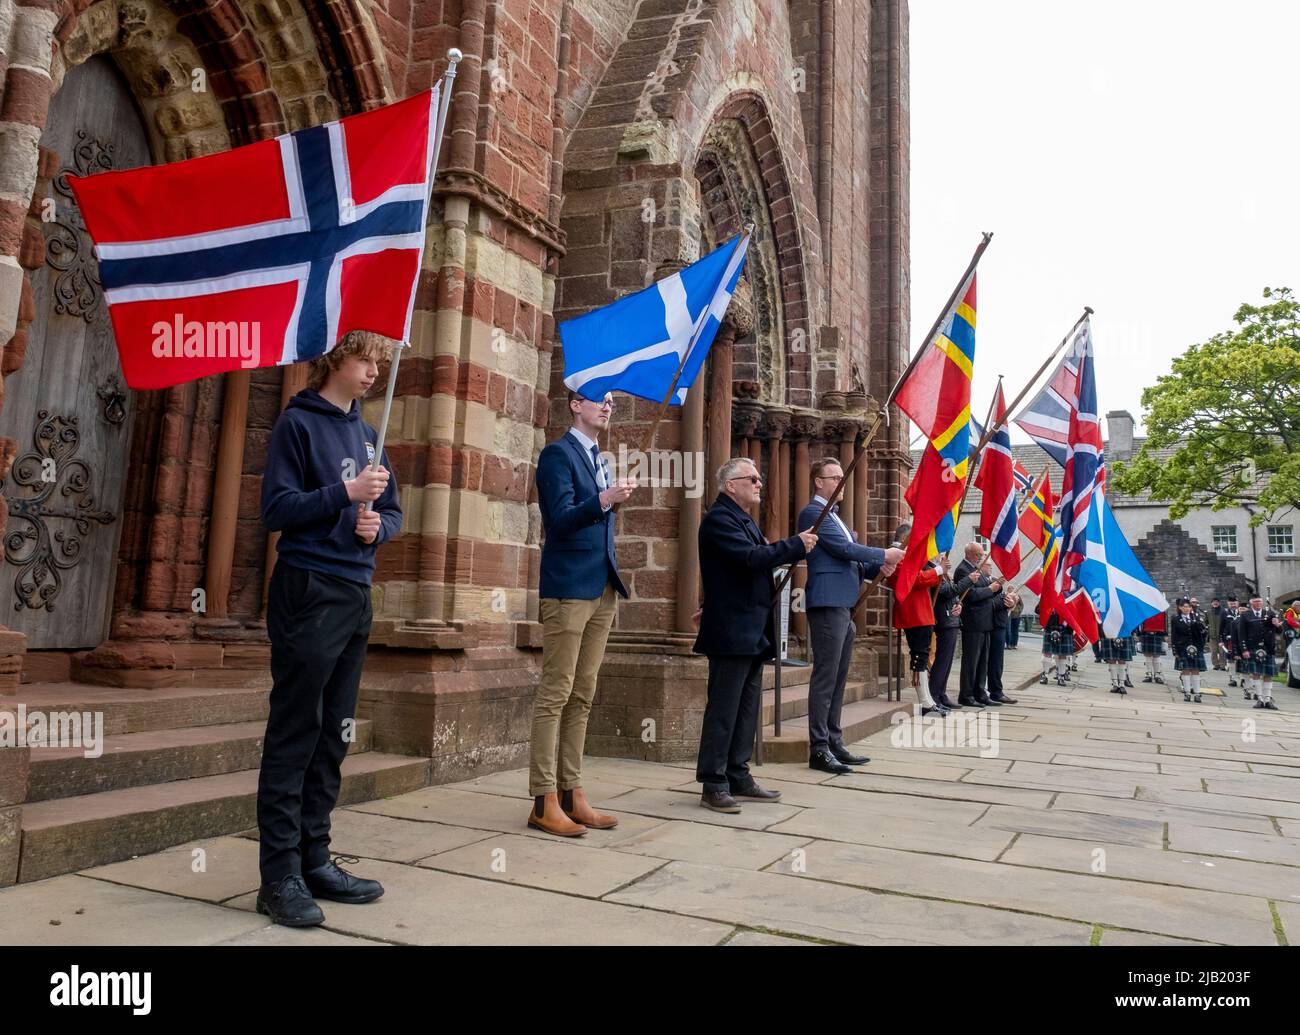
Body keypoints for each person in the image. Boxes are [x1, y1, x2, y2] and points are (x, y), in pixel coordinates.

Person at [256, 333, 403, 928]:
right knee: (298, 727)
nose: (374, 372)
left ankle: (315, 855)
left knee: (335, 732)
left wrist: (376, 528)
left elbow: (394, 510)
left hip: (354, 590)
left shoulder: (371, 434)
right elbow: (276, 509)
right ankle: (279, 875)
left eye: (379, 363)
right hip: (309, 586)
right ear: (336, 358)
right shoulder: (298, 423)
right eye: (366, 360)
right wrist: (344, 493)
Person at [528, 390, 636, 837]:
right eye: (598, 399)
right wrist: (605, 498)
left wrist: (608, 495)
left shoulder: (600, 458)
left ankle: (573, 793)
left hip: (602, 587)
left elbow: (594, 518)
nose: (607, 406)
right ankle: (543, 799)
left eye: (611, 401)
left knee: (583, 694)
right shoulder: (557, 454)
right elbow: (559, 518)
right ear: (574, 404)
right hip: (569, 589)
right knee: (556, 692)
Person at [694, 457, 817, 812]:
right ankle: (713, 783)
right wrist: (794, 544)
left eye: (761, 478)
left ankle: (738, 774)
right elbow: (750, 558)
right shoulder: (719, 519)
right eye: (753, 478)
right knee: (723, 709)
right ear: (731, 485)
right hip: (732, 630)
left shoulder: (742, 519)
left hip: (749, 629)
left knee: (745, 709)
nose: (760, 483)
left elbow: (744, 567)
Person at [801, 460, 902, 773]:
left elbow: (852, 558)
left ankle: (833, 740)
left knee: (839, 678)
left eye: (843, 477)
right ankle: (818, 748)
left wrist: (877, 566)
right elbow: (844, 549)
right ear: (819, 482)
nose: (842, 483)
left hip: (843, 603)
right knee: (825, 677)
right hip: (828, 602)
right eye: (835, 477)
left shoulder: (835, 516)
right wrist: (883, 554)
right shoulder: (813, 513)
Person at [887, 546, 947, 721]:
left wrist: (938, 568)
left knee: (923, 658)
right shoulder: (898, 561)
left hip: (922, 614)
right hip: (913, 615)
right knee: (919, 658)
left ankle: (929, 701)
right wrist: (937, 570)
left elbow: (927, 580)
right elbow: (916, 579)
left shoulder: (909, 560)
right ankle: (925, 702)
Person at [953, 544, 1002, 708]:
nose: (981, 557)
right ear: (970, 554)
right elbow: (970, 595)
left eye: (981, 555)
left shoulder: (977, 569)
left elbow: (986, 591)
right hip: (973, 622)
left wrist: (997, 587)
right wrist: (989, 589)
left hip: (985, 621)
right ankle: (966, 695)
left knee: (982, 661)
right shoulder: (962, 570)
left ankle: (980, 692)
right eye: (978, 554)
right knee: (971, 661)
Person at [982, 560, 1019, 704]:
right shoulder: (981, 581)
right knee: (985, 661)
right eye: (988, 564)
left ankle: (996, 691)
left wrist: (1012, 602)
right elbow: (986, 601)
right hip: (988, 625)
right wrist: (1004, 600)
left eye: (991, 565)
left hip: (999, 625)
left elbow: (1002, 600)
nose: (990, 566)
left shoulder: (992, 581)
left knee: (997, 661)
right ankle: (985, 690)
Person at [1237, 594, 1283, 710]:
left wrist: (1277, 624)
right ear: (1251, 603)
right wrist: (1244, 649)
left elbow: (1278, 630)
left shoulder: (1270, 614)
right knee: (1256, 674)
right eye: (1256, 601)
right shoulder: (1245, 615)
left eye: (1260, 601)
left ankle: (1267, 700)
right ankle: (1259, 699)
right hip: (1253, 648)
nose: (1258, 603)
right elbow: (1241, 634)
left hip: (1268, 648)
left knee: (1268, 674)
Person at [930, 557, 964, 711]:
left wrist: (959, 604)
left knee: (947, 661)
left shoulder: (943, 571)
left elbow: (953, 593)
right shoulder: (931, 568)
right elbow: (943, 591)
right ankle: (934, 695)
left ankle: (941, 693)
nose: (942, 556)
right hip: (941, 618)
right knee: (941, 660)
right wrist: (968, 580)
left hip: (951, 619)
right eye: (939, 553)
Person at [1170, 597, 1207, 703]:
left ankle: (1197, 693)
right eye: (1184, 607)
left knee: (1196, 670)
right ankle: (1187, 692)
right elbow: (1174, 635)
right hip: (1182, 648)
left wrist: (1200, 626)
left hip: (1196, 647)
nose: (1187, 608)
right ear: (1180, 608)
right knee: (1185, 670)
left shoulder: (1196, 618)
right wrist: (1175, 651)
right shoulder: (1176, 619)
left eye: (1188, 607)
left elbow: (1203, 634)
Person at [1137, 610, 1167, 684]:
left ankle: (1157, 675)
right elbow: (1139, 620)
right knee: (1147, 655)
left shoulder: (1161, 608)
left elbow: (1164, 621)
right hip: (1146, 633)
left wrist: (1165, 634)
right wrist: (1138, 634)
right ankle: (1149, 674)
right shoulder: (1144, 607)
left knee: (1156, 655)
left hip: (1158, 634)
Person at [1220, 595, 1242, 688]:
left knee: (1241, 659)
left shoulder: (1242, 611)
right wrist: (1221, 639)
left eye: (1234, 603)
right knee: (1231, 659)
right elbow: (1221, 626)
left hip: (1241, 639)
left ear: (1238, 603)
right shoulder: (1224, 613)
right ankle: (1232, 679)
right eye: (1231, 603)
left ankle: (1242, 678)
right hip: (1229, 639)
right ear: (1228, 604)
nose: (1233, 605)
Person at [1208, 598, 1225, 670]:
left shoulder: (1223, 612)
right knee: (1213, 651)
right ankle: (1216, 665)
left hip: (1221, 636)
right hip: (1212, 636)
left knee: (1222, 652)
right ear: (1211, 603)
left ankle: (1223, 665)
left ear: (1219, 603)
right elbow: (1206, 622)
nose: (1215, 603)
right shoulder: (1208, 612)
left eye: (1217, 602)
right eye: (1213, 602)